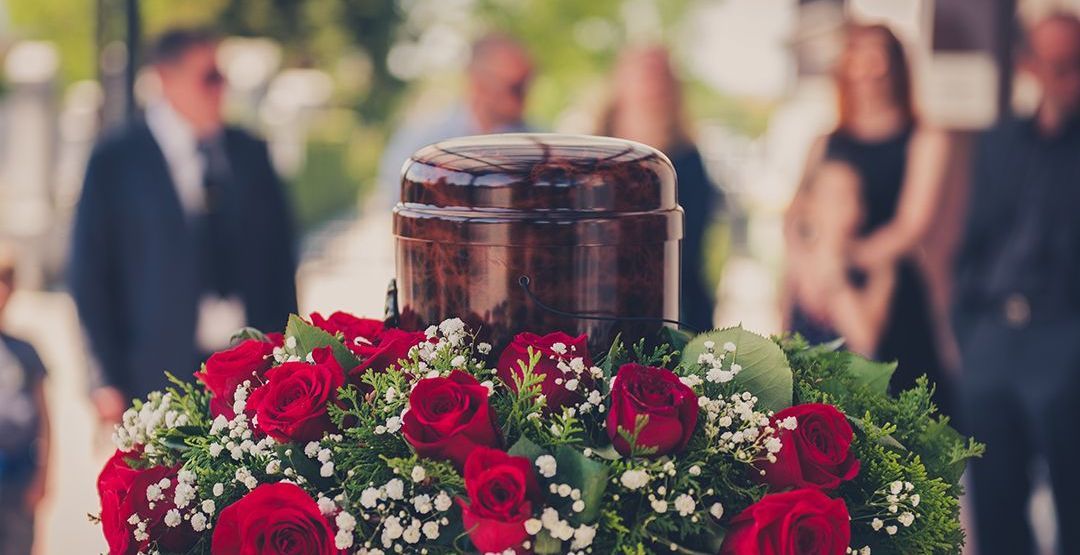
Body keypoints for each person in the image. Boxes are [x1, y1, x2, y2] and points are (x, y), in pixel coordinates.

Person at [70, 28, 298, 423]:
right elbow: (89, 271)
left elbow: (280, 262)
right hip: (155, 375)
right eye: (209, 77)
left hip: (250, 373)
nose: (221, 89)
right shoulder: (115, 160)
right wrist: (102, 375)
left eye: (222, 76)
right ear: (165, 79)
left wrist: (291, 355)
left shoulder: (249, 152)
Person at [953, 13, 1080, 555]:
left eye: (1072, 65)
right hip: (995, 334)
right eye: (1050, 64)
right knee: (996, 503)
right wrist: (968, 329)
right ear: (1028, 65)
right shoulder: (1001, 141)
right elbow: (976, 234)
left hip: (1065, 334)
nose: (1061, 78)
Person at [783, 24, 953, 409]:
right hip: (818, 286)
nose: (866, 71)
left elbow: (910, 226)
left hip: (885, 284)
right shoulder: (825, 141)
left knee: (897, 416)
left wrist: (838, 267)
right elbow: (795, 217)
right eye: (855, 59)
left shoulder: (925, 136)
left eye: (876, 59)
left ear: (896, 66)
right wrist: (810, 273)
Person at [598, 45, 723, 332]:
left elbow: (688, 246)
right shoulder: (594, 153)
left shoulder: (688, 159)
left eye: (659, 75)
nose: (650, 84)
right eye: (643, 73)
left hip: (676, 303)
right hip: (600, 297)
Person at [378, 32, 534, 203]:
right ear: (478, 83)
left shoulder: (537, 146)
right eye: (516, 87)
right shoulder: (420, 145)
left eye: (528, 82)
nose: (526, 95)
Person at [0, 244, 50, 554]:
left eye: (6, 280)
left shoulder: (25, 350)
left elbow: (46, 418)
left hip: (19, 475)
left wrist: (44, 475)